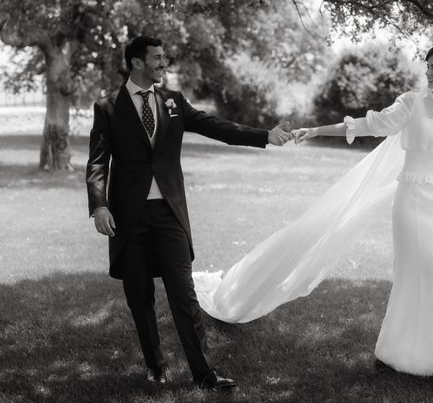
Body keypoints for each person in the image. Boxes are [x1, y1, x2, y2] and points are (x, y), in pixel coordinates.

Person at [85, 36, 291, 391]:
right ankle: (156, 366)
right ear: (136, 63)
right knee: (140, 297)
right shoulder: (107, 107)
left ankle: (205, 374)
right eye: (157, 58)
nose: (165, 63)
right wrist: (99, 205)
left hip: (169, 215)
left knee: (184, 294)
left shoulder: (173, 102)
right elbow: (97, 161)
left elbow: (215, 127)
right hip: (127, 219)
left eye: (165, 58)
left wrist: (264, 137)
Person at [291, 44, 433, 383]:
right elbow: (369, 124)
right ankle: (398, 351)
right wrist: (315, 131)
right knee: (414, 279)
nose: (428, 73)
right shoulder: (411, 103)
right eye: (427, 66)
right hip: (414, 201)